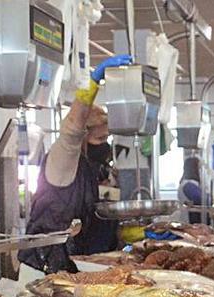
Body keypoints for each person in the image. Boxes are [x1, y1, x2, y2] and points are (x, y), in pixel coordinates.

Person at [18, 55, 132, 273]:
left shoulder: (92, 169)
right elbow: (72, 128)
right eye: (100, 139)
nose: (105, 146)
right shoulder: (64, 158)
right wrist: (92, 83)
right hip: (42, 266)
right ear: (84, 137)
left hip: (70, 263)